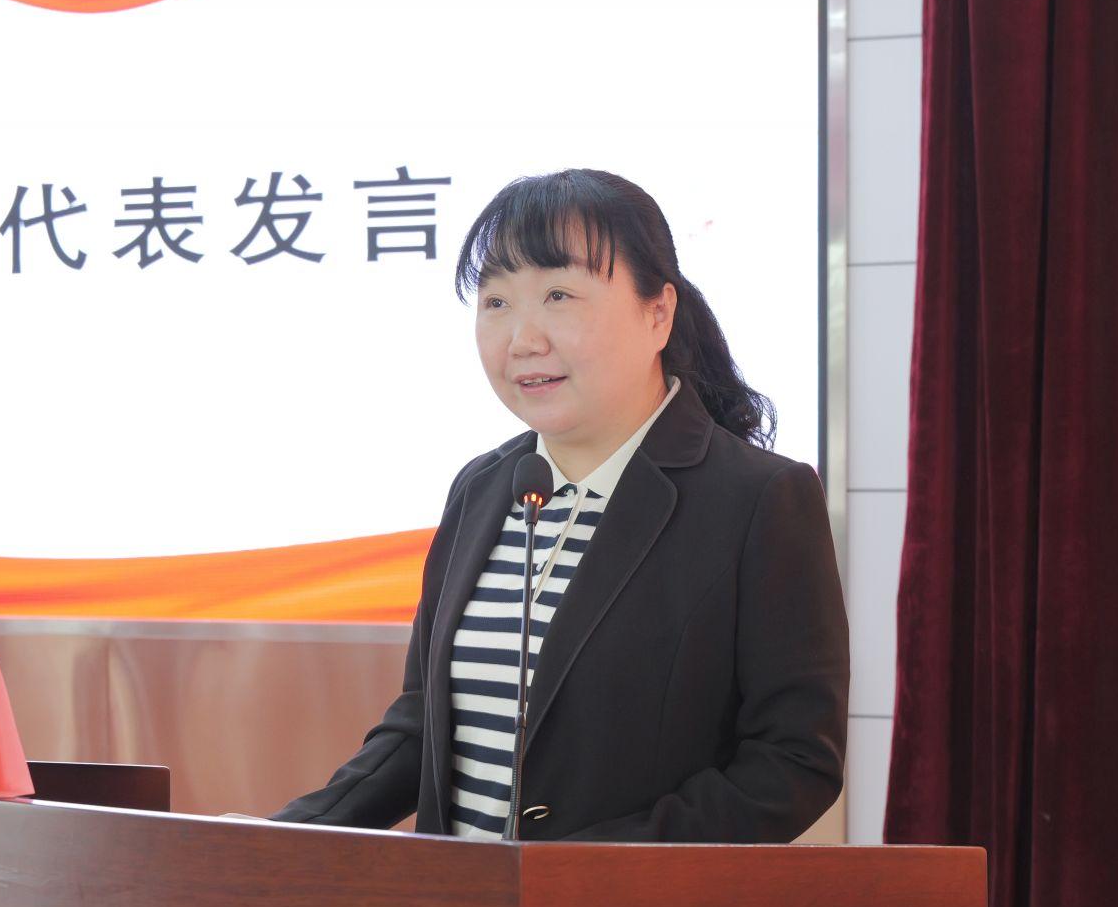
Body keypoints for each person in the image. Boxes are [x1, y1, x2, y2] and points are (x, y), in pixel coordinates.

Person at [267, 168, 848, 842]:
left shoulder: (759, 499)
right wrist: (276, 838)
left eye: (558, 295)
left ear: (658, 313)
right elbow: (422, 724)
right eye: (496, 302)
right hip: (456, 905)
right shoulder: (484, 487)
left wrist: (573, 879)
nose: (523, 340)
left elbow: (792, 763)